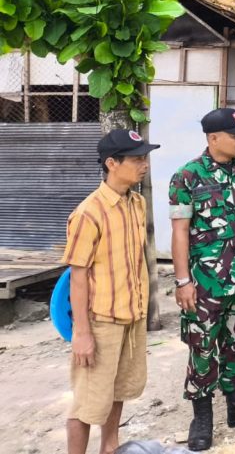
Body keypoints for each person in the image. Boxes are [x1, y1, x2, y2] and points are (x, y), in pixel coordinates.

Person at [170, 107, 235, 451]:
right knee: (203, 349)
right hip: (205, 283)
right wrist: (182, 280)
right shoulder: (187, 176)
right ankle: (201, 418)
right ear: (213, 138)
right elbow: (179, 231)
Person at [63, 129, 160, 454]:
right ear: (111, 163)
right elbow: (78, 277)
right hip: (101, 322)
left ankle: (110, 447)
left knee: (118, 390)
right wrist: (82, 333)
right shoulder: (88, 213)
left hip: (131, 317)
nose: (144, 164)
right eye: (136, 159)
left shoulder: (137, 202)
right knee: (88, 403)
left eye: (144, 157)